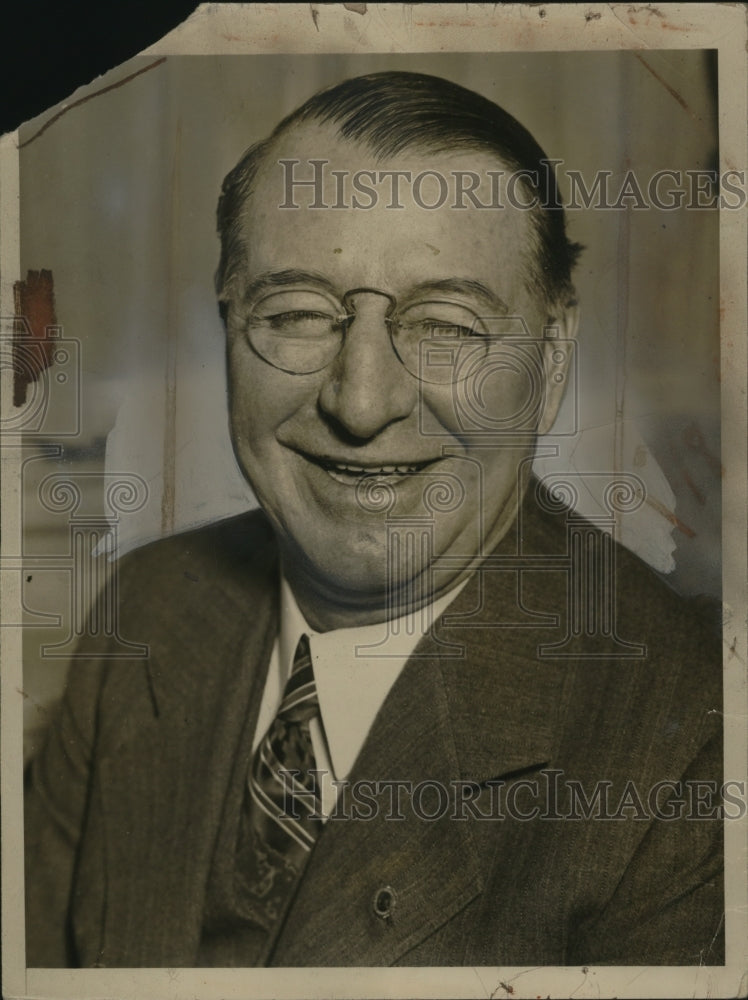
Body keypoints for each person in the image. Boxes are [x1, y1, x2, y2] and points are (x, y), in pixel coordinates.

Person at [25, 71, 723, 968]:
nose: (361, 402)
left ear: (549, 363)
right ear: (229, 329)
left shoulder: (695, 741)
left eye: (447, 326)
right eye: (298, 314)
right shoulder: (149, 611)